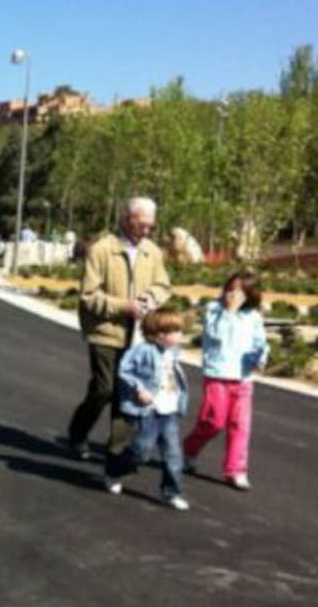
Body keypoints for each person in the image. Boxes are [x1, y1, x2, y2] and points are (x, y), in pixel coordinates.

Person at [66, 196, 171, 462]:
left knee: (127, 393)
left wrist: (149, 300)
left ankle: (115, 451)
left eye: (150, 226)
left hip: (138, 336)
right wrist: (124, 306)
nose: (146, 231)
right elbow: (89, 296)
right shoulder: (102, 250)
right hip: (105, 331)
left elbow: (163, 285)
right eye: (141, 224)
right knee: (103, 389)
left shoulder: (152, 252)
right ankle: (78, 433)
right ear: (126, 219)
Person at [183, 271, 269, 490]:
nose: (233, 294)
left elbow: (260, 342)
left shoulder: (253, 316)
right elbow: (216, 335)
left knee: (240, 425)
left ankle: (236, 470)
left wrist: (261, 359)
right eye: (230, 288)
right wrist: (229, 311)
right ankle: (188, 450)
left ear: (250, 293)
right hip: (218, 374)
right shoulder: (214, 310)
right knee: (213, 422)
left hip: (243, 377)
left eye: (239, 290)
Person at [103, 309, 189, 511]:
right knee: (141, 451)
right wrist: (139, 389)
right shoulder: (142, 350)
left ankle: (171, 492)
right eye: (175, 331)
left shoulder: (173, 351)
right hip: (148, 410)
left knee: (173, 455)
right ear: (159, 335)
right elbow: (124, 371)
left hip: (168, 411)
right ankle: (114, 471)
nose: (180, 335)